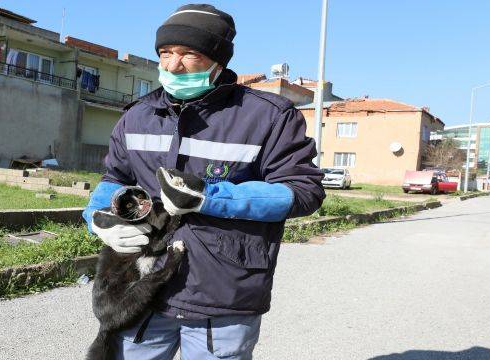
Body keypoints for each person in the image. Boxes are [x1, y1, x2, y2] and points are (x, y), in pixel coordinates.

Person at [82, 3, 325, 359]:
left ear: (217, 62)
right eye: (165, 53)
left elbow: (303, 191)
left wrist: (208, 197)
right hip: (141, 287)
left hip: (224, 293)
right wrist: (98, 217)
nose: (172, 65)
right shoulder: (138, 116)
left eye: (188, 54)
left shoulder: (269, 117)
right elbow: (115, 176)